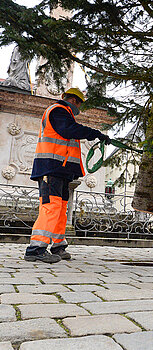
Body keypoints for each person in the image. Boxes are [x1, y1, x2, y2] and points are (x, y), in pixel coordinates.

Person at [24, 87, 111, 263]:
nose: (78, 109)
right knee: (51, 207)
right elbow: (70, 131)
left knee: (61, 209)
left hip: (60, 170)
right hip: (51, 169)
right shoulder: (58, 111)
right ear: (73, 101)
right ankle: (35, 249)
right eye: (79, 104)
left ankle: (58, 245)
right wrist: (95, 134)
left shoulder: (64, 114)